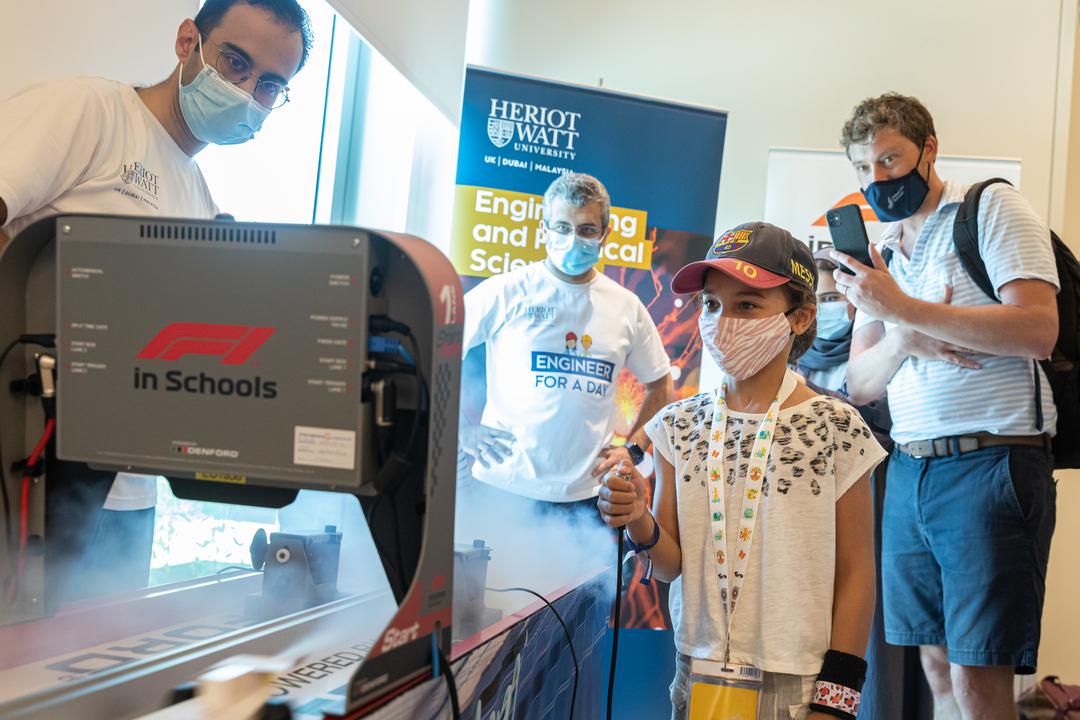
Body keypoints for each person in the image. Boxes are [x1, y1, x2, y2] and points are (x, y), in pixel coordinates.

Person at [0, 0, 313, 599]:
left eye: (271, 84)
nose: (247, 90)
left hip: (127, 496)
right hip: (29, 477)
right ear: (186, 41)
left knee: (93, 675)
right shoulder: (92, 113)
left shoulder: (197, 196)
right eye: (234, 62)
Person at [599, 222, 886, 719]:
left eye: (747, 305)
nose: (722, 320)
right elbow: (670, 564)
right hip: (700, 670)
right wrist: (638, 520)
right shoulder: (677, 425)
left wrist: (838, 699)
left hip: (801, 679)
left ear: (800, 317)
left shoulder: (836, 427)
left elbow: (857, 571)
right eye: (711, 304)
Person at [835, 92, 1058, 720]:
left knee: (977, 673)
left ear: (928, 150)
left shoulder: (991, 209)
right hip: (910, 469)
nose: (877, 180)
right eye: (863, 168)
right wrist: (902, 334)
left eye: (890, 159)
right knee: (932, 665)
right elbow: (860, 382)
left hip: (991, 462)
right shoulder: (880, 254)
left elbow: (1038, 328)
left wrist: (901, 308)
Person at [459, 172, 674, 512]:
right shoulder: (506, 291)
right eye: (561, 227)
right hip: (502, 486)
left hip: (586, 495)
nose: (572, 239)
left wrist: (633, 450)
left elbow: (661, 386)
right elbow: (436, 349)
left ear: (605, 233)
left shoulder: (625, 306)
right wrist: (461, 431)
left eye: (586, 229)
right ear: (543, 229)